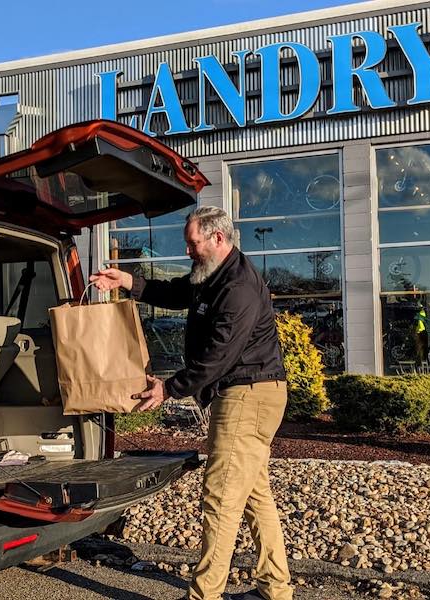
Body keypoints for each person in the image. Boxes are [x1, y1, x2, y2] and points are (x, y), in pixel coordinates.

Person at [90, 206, 293, 600]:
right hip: (247, 393)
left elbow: (219, 356)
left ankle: (204, 595)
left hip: (247, 395)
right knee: (254, 496)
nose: (187, 250)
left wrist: (169, 388)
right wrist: (128, 281)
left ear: (217, 238)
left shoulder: (238, 287)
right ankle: (275, 589)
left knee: (220, 497)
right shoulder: (212, 274)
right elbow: (176, 292)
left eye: (192, 242)